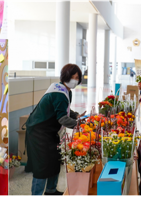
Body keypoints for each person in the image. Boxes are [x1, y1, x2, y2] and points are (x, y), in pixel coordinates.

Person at [25, 64, 85, 195]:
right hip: (38, 131)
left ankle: (51, 191)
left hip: (49, 131)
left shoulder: (66, 90)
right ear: (65, 76)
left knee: (54, 161)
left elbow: (63, 109)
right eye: (72, 77)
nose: (74, 80)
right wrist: (79, 125)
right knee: (42, 167)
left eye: (77, 78)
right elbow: (62, 118)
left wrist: (76, 115)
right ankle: (37, 194)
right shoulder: (60, 93)